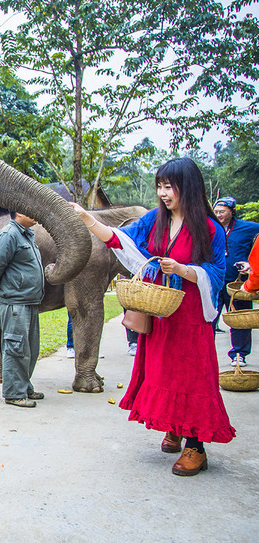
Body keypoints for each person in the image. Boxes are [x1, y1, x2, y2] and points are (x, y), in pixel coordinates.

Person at [72, 157, 234, 477]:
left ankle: (196, 446)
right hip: (161, 314)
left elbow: (217, 273)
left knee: (191, 377)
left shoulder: (210, 228)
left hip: (190, 315)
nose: (162, 193)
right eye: (159, 186)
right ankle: (174, 425)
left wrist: (185, 270)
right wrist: (88, 219)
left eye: (168, 186)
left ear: (186, 187)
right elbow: (122, 239)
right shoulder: (154, 220)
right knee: (164, 373)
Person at [0, 211, 45, 408]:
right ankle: (13, 393)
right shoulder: (9, 234)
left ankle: (24, 387)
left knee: (30, 348)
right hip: (14, 301)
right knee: (16, 348)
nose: (36, 213)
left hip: (28, 300)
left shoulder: (27, 234)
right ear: (19, 212)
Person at [212, 196, 259, 366]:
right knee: (208, 319)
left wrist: (250, 263)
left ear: (232, 212)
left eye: (222, 211)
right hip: (214, 282)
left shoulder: (248, 228)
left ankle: (239, 354)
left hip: (237, 283)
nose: (218, 215)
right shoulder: (210, 227)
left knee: (240, 319)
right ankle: (205, 354)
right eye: (216, 211)